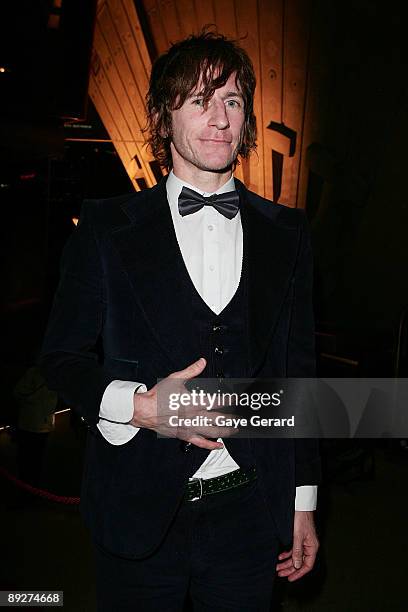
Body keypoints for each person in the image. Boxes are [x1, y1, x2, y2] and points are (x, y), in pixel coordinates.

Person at [40, 30, 321, 612]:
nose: (219, 117)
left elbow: (300, 376)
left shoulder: (287, 234)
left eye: (233, 101)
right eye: (199, 99)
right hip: (137, 510)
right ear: (163, 118)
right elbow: (62, 359)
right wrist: (139, 406)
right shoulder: (104, 227)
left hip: (250, 510)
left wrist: (303, 502)